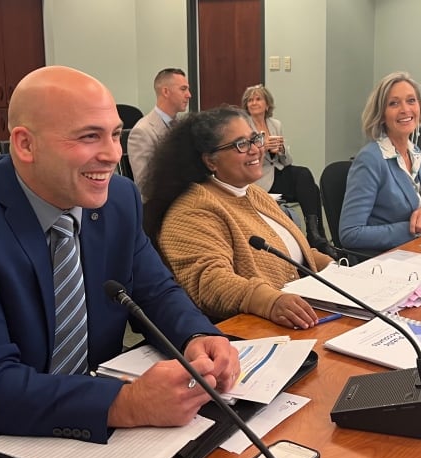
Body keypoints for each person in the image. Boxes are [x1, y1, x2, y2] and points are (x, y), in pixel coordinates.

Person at [0, 66, 240, 456]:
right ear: (25, 145)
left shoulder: (118, 200)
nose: (112, 155)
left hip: (85, 425)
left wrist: (197, 336)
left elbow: (156, 292)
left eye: (115, 134)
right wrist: (126, 403)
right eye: (89, 137)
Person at [144, 106, 334, 329]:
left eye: (255, 139)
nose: (255, 149)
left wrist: (336, 270)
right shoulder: (192, 210)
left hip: (303, 312)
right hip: (256, 327)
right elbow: (209, 281)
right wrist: (269, 302)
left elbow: (293, 251)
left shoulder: (253, 192)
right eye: (241, 144)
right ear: (210, 161)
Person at [338, 72, 421, 253]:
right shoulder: (370, 159)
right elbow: (350, 233)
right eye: (394, 103)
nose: (405, 109)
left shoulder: (415, 152)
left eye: (411, 101)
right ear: (382, 114)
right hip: (387, 260)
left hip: (418, 251)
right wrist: (414, 229)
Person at [241, 84, 338, 259]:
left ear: (267, 104)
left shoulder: (275, 124)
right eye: (250, 100)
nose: (253, 103)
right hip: (258, 177)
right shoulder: (244, 127)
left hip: (276, 171)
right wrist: (263, 148)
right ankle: (317, 237)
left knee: (306, 177)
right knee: (310, 188)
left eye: (258, 99)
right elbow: (246, 158)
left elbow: (287, 162)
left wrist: (281, 150)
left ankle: (314, 234)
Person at [128, 68, 191, 201]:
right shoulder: (143, 131)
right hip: (162, 206)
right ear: (166, 92)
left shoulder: (181, 126)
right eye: (183, 89)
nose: (189, 95)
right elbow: (145, 185)